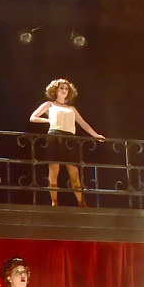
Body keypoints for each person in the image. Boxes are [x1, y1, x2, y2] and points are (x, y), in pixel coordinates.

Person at [28, 78, 105, 207]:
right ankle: (54, 202)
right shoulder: (49, 105)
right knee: (54, 171)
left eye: (66, 89)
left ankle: (81, 202)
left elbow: (83, 123)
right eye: (61, 88)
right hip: (55, 136)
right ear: (55, 90)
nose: (64, 90)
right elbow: (33, 117)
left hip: (69, 139)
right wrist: (48, 120)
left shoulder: (71, 108)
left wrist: (96, 135)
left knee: (74, 173)